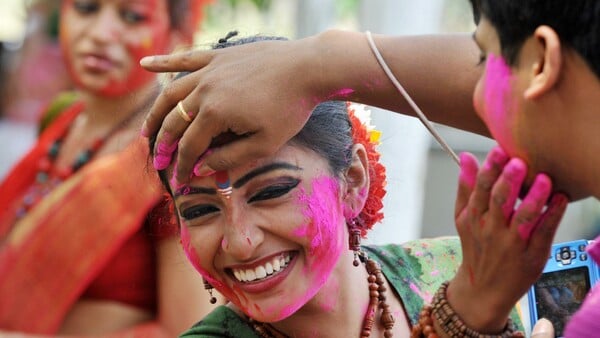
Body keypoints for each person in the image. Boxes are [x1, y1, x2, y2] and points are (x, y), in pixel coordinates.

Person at [147, 33, 569, 338]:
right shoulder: (477, 288)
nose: (240, 244)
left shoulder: (470, 267)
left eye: (271, 191)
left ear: (353, 180)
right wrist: (468, 317)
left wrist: (324, 62)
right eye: (200, 210)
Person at [0, 0, 219, 336]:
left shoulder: (175, 154)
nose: (101, 34)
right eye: (86, 8)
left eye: (132, 16)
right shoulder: (60, 120)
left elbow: (192, 330)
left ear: (177, 34)